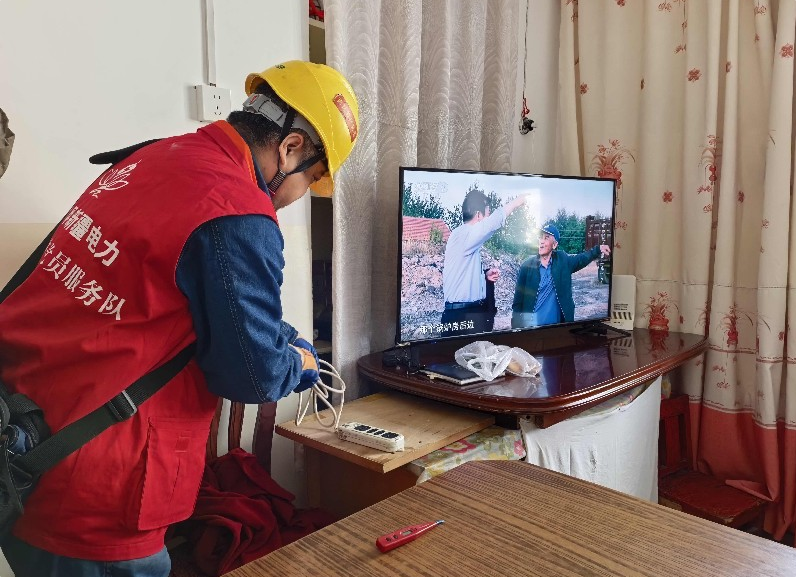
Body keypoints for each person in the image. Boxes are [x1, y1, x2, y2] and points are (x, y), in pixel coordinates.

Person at [0, 60, 359, 577]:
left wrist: (279, 336)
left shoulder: (157, 157)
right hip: (98, 489)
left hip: (27, 442)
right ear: (291, 147)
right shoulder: (236, 211)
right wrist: (298, 364)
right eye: (312, 180)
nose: (301, 195)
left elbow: (174, 295)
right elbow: (251, 374)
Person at [441, 189, 527, 336]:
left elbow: (462, 273)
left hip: (467, 313)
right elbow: (492, 224)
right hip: (462, 316)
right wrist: (517, 202)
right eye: (488, 212)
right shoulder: (463, 234)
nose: (489, 216)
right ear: (478, 215)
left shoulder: (465, 239)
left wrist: (484, 275)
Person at [511, 222, 610, 328]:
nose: (541, 242)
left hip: (557, 328)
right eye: (541, 238)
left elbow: (581, 259)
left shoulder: (563, 261)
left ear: (554, 245)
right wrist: (516, 328)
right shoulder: (527, 266)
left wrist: (597, 249)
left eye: (546, 238)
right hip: (531, 329)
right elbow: (517, 301)